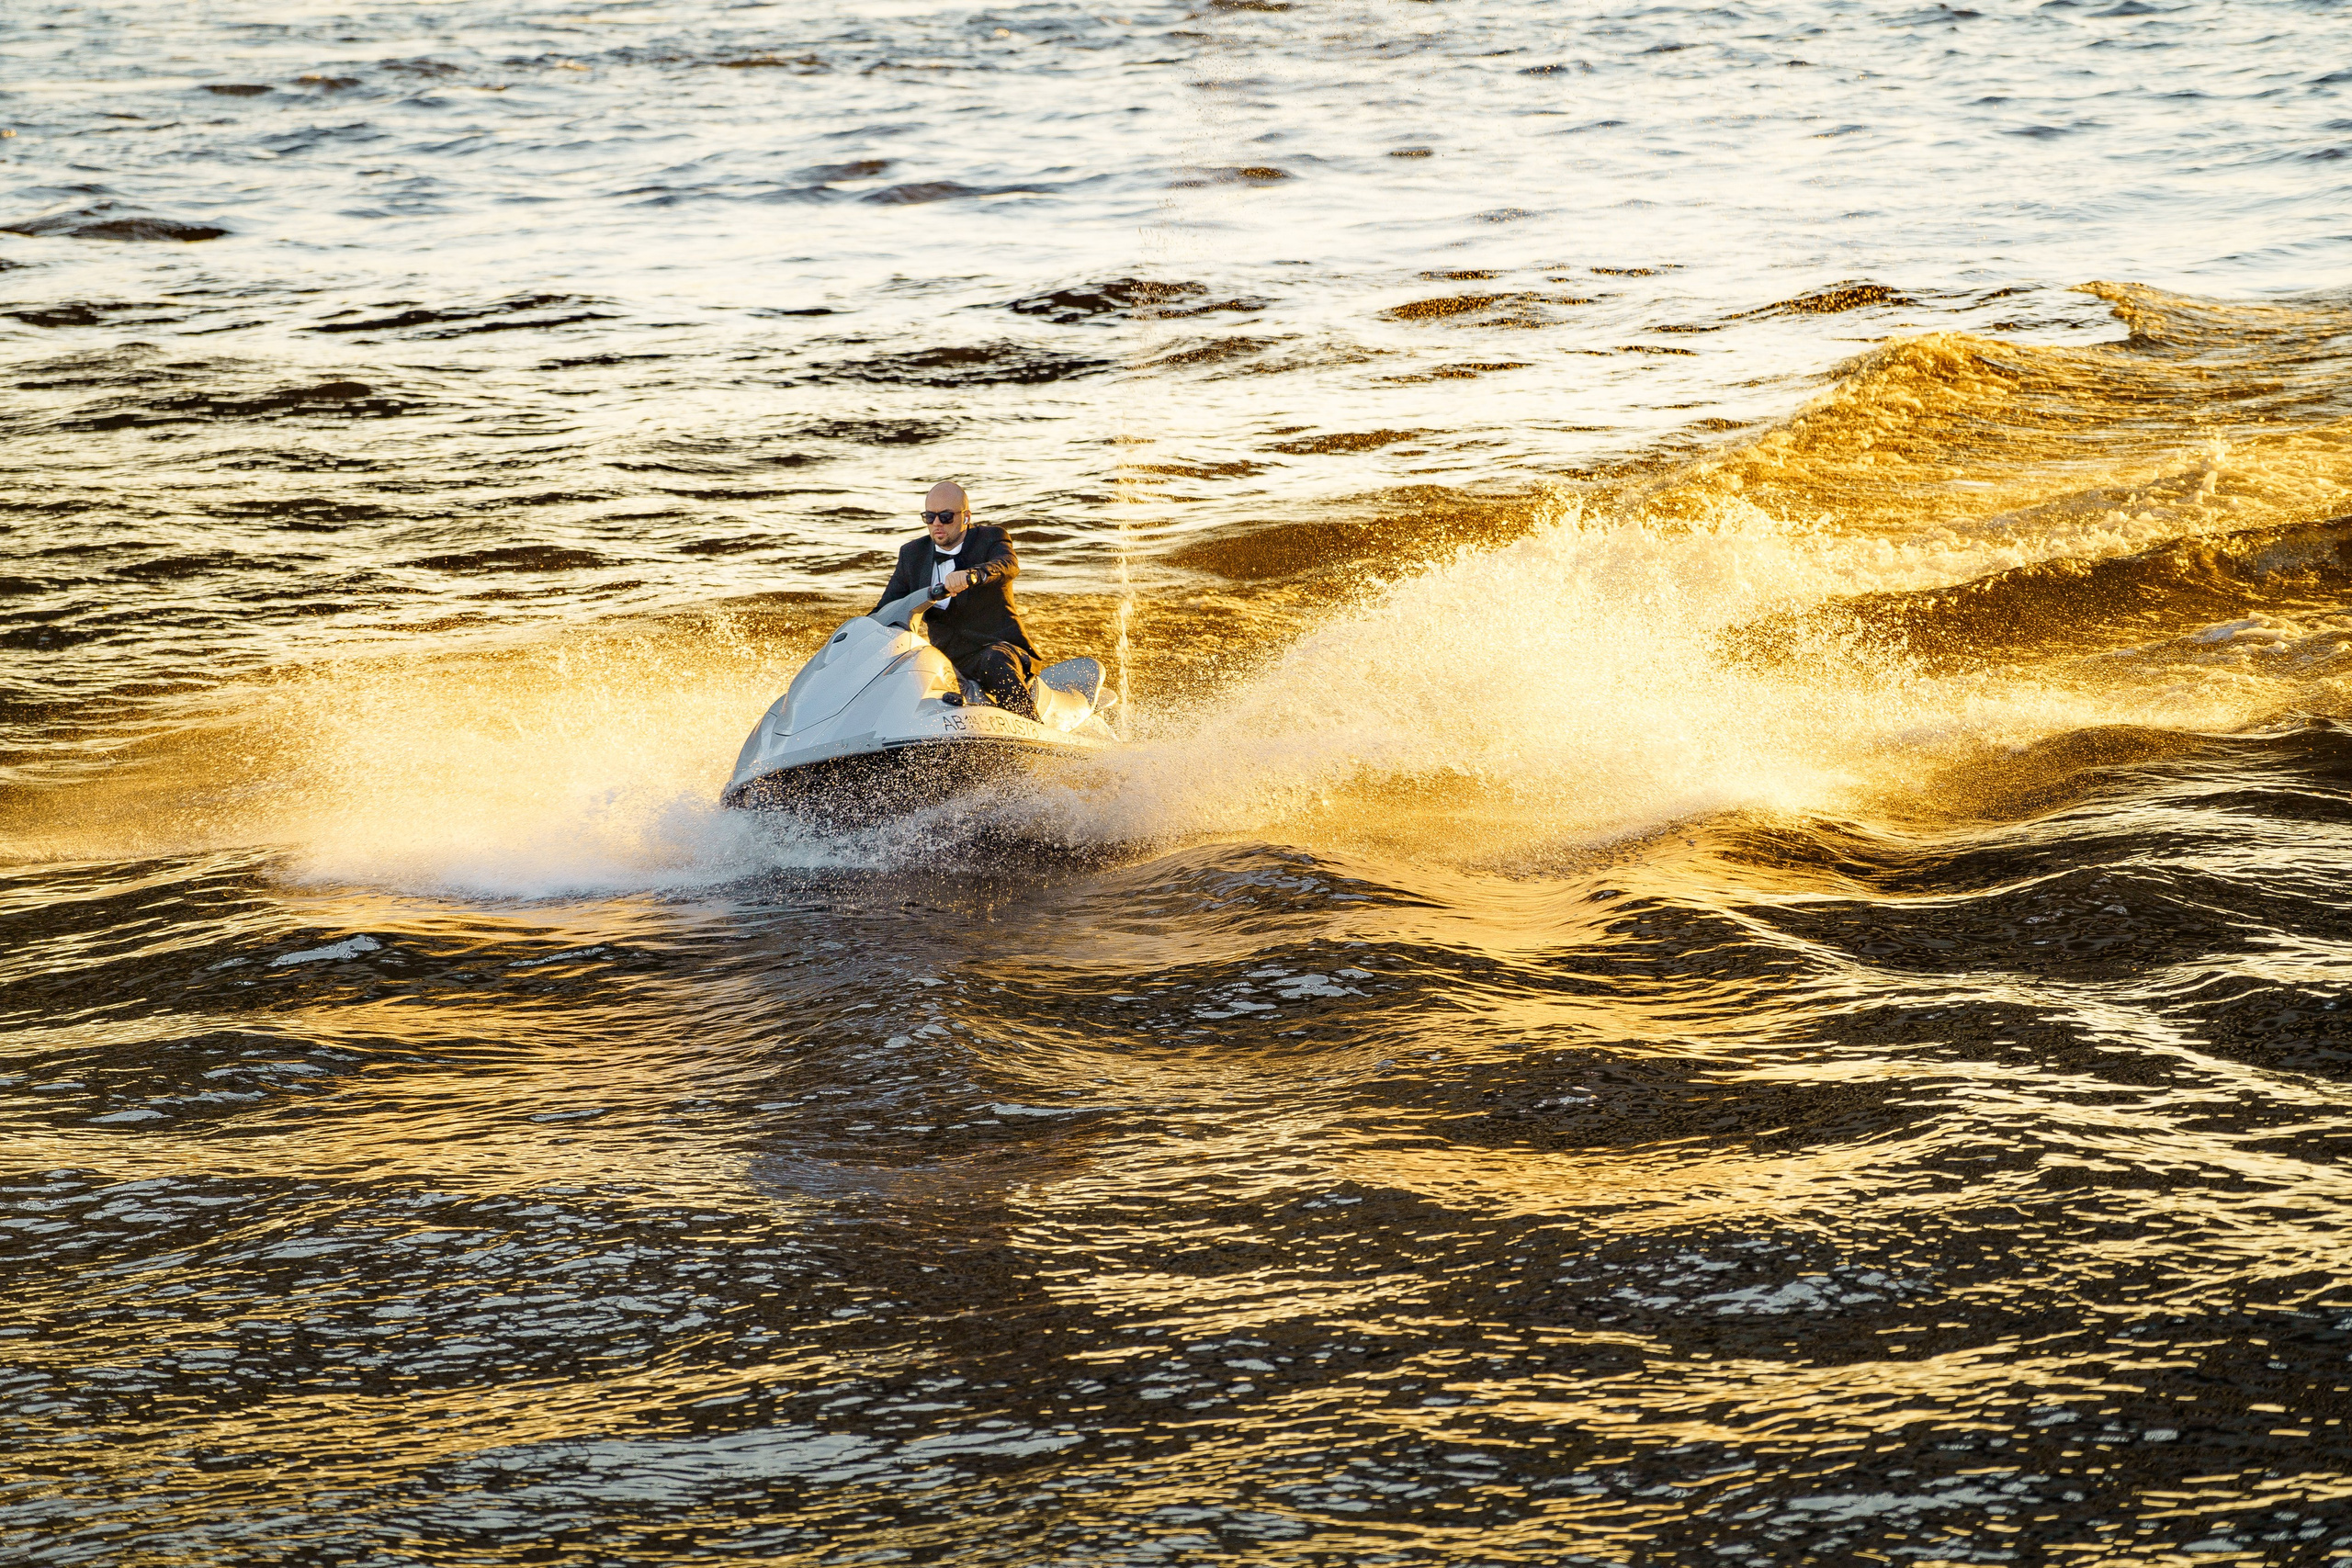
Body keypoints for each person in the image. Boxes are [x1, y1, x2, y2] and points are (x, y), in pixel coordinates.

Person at [873, 480, 1042, 720]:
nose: (937, 524)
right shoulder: (912, 554)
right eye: (929, 517)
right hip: (946, 658)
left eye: (945, 517)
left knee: (994, 660)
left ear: (966, 517)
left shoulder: (992, 537)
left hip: (1000, 649)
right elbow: (886, 609)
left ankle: (1031, 724)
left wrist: (973, 575)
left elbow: (1007, 566)